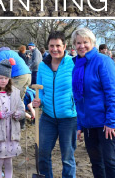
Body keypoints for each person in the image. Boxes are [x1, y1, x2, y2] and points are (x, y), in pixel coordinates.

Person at [72, 28, 115, 178]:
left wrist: (111, 121)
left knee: (110, 161)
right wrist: (79, 124)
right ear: (74, 45)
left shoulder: (103, 61)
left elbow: (113, 93)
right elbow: (78, 98)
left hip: (106, 122)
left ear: (92, 43)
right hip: (89, 123)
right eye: (78, 43)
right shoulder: (77, 65)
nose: (82, 46)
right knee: (96, 162)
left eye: (85, 42)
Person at [33, 31, 78, 178]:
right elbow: (40, 91)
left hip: (68, 117)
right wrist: (38, 101)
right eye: (51, 46)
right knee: (43, 153)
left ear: (64, 46)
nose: (55, 49)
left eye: (58, 45)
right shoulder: (42, 66)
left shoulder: (73, 64)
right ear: (47, 47)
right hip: (48, 117)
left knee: (67, 157)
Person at [0, 58, 26, 178]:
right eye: (1, 78)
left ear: (9, 79)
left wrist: (19, 114)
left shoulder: (15, 93)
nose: (3, 81)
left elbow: (22, 110)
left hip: (10, 135)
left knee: (8, 161)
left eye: (6, 78)